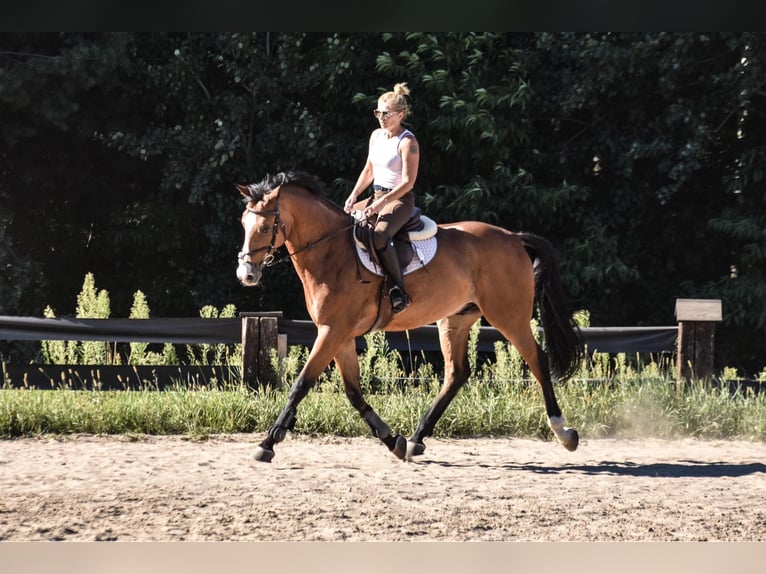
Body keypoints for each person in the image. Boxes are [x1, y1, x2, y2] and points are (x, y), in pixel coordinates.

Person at [343, 82, 420, 314]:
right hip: (376, 195)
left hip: (399, 200)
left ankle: (398, 290)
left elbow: (408, 182)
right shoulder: (376, 136)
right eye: (378, 112)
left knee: (379, 235)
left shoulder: (408, 142)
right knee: (342, 222)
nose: (381, 118)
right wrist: (354, 194)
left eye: (386, 114)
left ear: (401, 114)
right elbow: (369, 170)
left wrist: (381, 203)